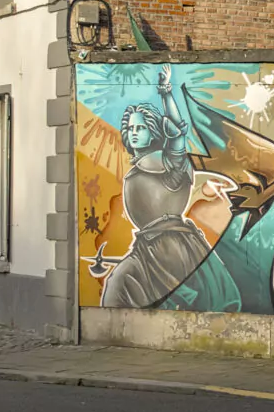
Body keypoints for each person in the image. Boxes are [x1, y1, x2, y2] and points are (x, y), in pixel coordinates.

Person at [101, 100, 239, 311]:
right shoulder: (142, 167)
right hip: (148, 244)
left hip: (168, 246)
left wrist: (166, 95)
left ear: (153, 131)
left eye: (141, 127)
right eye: (130, 128)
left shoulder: (163, 164)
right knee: (119, 287)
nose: (134, 132)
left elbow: (177, 140)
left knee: (121, 285)